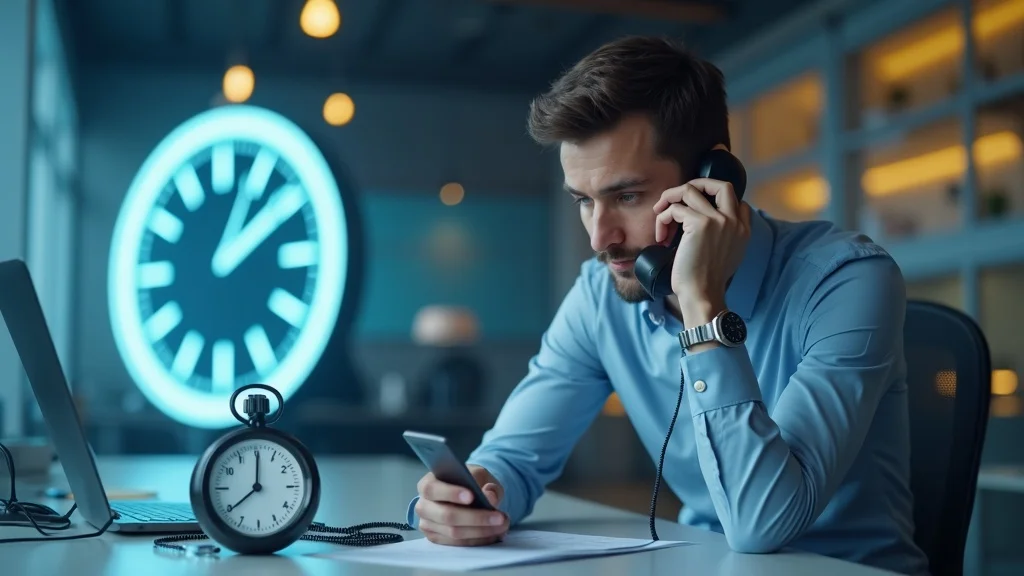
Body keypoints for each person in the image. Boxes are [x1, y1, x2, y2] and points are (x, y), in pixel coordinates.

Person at [407, 35, 930, 576]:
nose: (599, 238)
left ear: (713, 179)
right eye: (584, 201)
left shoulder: (847, 281)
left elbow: (761, 524)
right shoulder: (598, 297)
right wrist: (470, 499)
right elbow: (512, 460)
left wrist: (703, 308)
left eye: (627, 196)